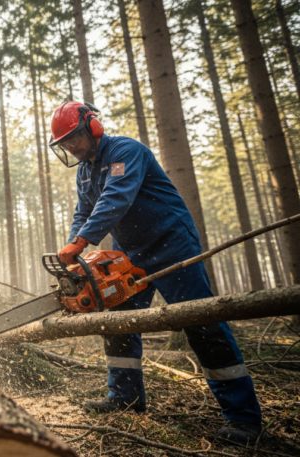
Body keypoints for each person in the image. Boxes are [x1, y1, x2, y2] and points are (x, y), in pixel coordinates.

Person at [50, 101, 264, 445]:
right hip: (129, 254)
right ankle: (125, 395)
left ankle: (243, 417)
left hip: (171, 243)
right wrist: (74, 246)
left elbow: (116, 198)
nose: (71, 147)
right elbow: (84, 211)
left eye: (74, 137)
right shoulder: (84, 171)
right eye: (64, 143)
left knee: (202, 321)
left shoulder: (125, 151)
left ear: (93, 127)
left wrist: (83, 240)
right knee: (117, 321)